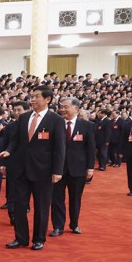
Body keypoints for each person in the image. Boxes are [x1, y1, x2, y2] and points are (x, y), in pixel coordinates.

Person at [0, 85, 65, 251]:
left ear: (47, 99)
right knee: (19, 205)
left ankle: (39, 239)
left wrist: (57, 171)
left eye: (36, 96)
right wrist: (8, 151)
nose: (32, 99)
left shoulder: (56, 120)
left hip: (43, 170)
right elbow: (15, 141)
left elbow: (59, 148)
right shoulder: (24, 118)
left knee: (41, 206)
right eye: (32, 96)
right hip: (21, 168)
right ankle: (20, 238)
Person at [51, 97, 95, 235]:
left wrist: (90, 167)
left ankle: (74, 224)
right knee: (57, 198)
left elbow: (91, 148)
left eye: (65, 107)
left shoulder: (87, 126)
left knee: (75, 198)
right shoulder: (55, 124)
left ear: (76, 108)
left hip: (78, 169)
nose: (62, 109)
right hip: (58, 168)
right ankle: (58, 226)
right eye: (61, 107)